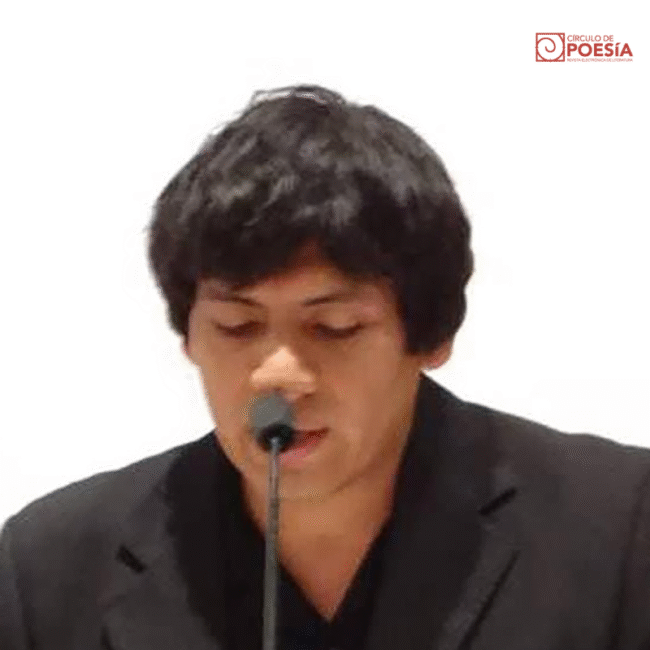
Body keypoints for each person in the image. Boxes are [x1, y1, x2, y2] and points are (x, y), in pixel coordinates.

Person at [1, 85, 649, 650]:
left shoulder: (622, 529)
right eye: (236, 327)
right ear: (188, 335)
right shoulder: (49, 568)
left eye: (335, 328)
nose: (276, 374)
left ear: (431, 334)